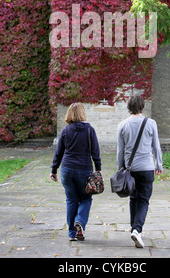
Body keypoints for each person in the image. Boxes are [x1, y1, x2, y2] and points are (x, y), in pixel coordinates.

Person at [50, 102, 101, 241]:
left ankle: (72, 234)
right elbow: (95, 152)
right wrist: (98, 169)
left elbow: (58, 152)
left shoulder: (66, 131)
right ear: (82, 113)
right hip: (84, 170)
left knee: (71, 200)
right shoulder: (89, 130)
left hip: (66, 170)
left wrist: (54, 170)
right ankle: (80, 222)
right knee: (85, 198)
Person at [117, 94, 163, 248]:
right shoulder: (151, 123)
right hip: (147, 167)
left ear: (129, 107)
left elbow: (120, 151)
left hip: (130, 169)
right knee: (143, 200)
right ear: (142, 107)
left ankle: (134, 229)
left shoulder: (122, 125)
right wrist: (159, 165)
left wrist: (120, 169)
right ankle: (137, 229)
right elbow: (156, 146)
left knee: (133, 199)